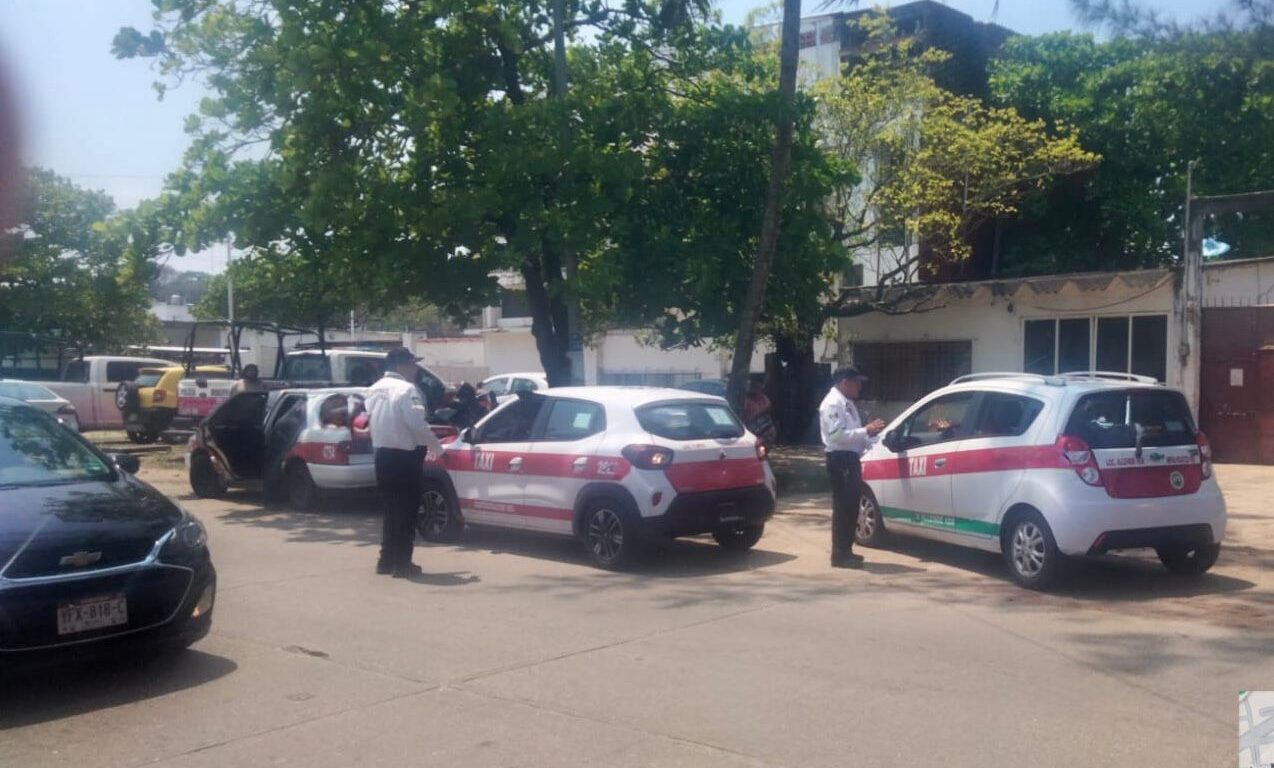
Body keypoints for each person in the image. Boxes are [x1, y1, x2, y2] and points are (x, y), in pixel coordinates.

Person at [365, 347, 445, 578]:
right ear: (402, 365)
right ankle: (402, 564)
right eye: (412, 364)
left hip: (382, 456)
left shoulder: (374, 389)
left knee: (390, 510)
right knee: (407, 511)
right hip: (406, 458)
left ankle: (386, 560)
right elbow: (417, 425)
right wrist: (439, 449)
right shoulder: (407, 389)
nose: (415, 369)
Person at [820, 366, 887, 569]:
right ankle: (839, 555)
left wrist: (872, 437)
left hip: (850, 458)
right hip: (840, 460)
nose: (859, 386)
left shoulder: (847, 403)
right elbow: (837, 435)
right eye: (856, 382)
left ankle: (846, 551)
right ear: (845, 382)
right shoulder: (833, 403)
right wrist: (865, 430)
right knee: (843, 507)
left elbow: (854, 436)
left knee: (851, 507)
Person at [743, 378, 777, 445]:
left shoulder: (765, 399)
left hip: (766, 433)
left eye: (758, 387)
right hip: (752, 432)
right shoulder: (746, 401)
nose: (756, 389)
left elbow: (768, 414)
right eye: (754, 387)